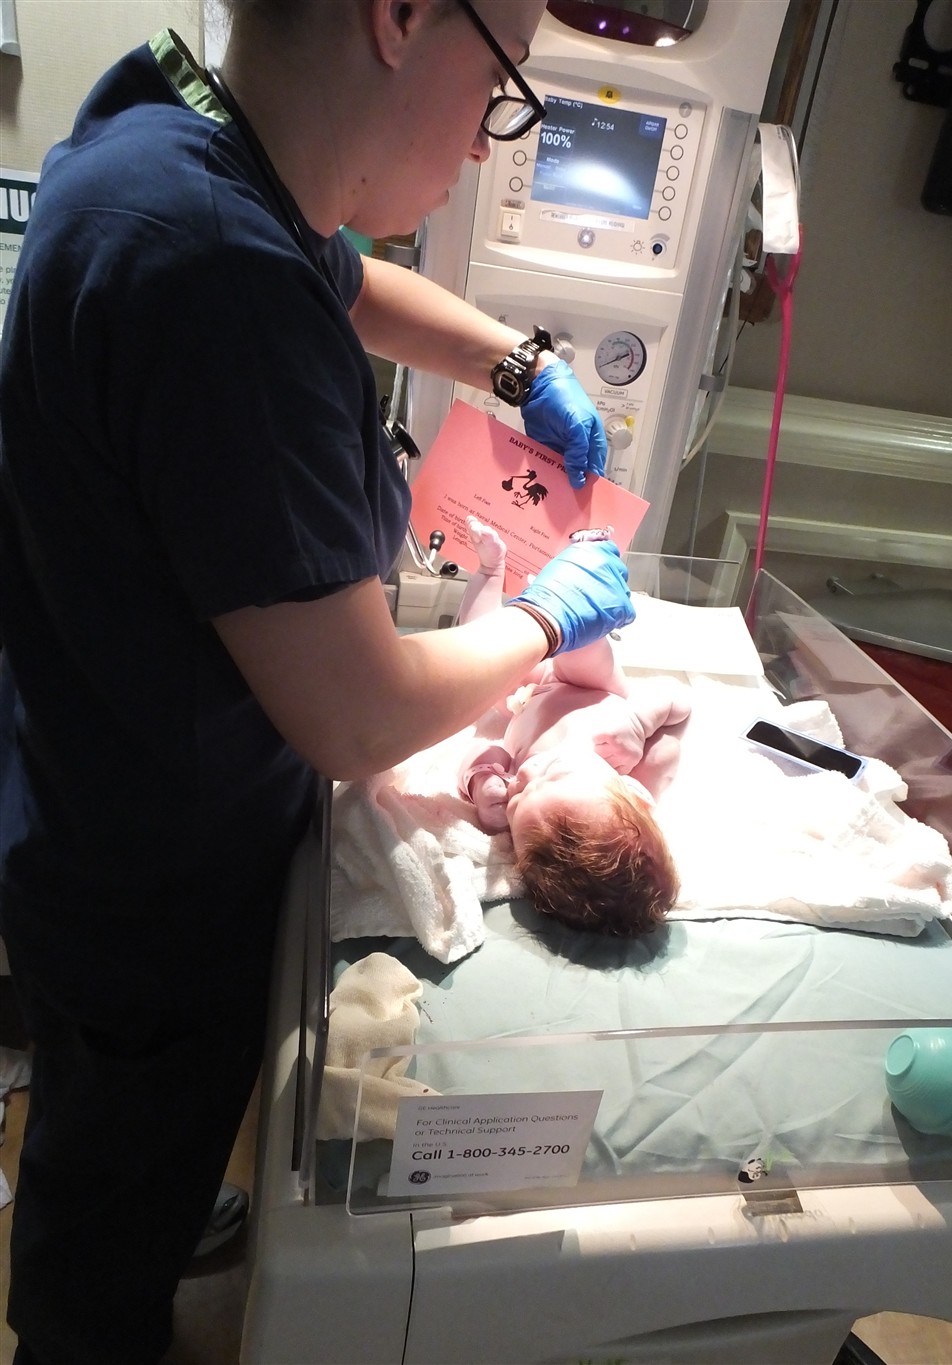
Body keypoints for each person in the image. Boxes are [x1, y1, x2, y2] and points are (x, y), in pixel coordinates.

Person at [0, 4, 635, 1362]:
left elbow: (337, 280)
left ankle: (154, 1211)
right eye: (504, 79)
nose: (489, 137)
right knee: (109, 1174)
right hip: (147, 871)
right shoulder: (211, 274)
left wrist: (515, 365)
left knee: (139, 1131)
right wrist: (546, 618)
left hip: (100, 774)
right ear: (399, 19)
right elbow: (358, 716)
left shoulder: (181, 148)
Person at [457, 519, 691, 936]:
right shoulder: (634, 765)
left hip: (525, 699)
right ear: (632, 791)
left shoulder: (529, 797)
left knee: (474, 670)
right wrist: (638, 723)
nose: (525, 775)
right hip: (592, 687)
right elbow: (678, 700)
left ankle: (490, 572)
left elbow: (484, 749)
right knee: (581, 655)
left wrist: (479, 780)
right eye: (553, 775)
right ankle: (574, 590)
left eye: (516, 800)